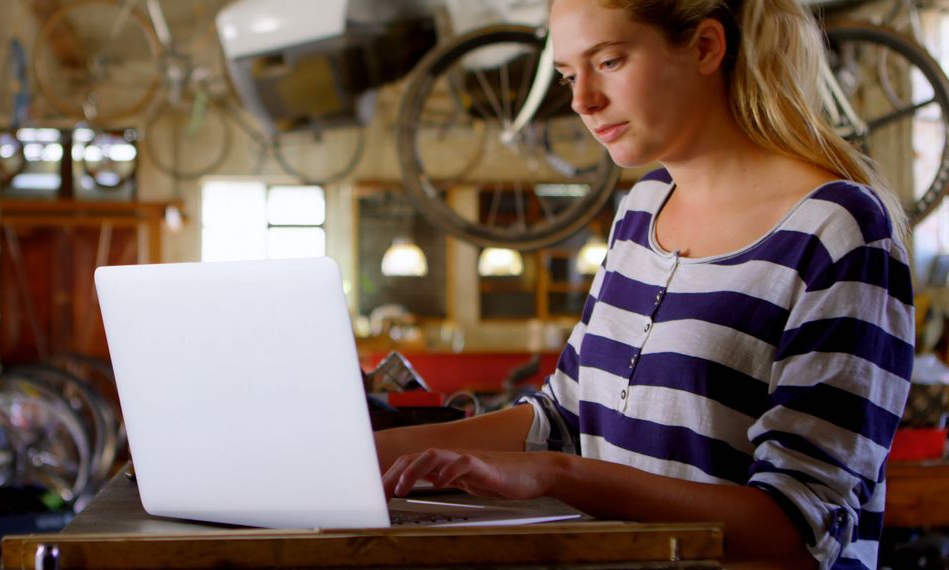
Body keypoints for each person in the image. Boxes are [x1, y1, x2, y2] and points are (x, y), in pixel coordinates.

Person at [375, 1, 914, 568]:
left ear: (706, 47)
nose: (582, 100)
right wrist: (361, 454)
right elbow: (563, 419)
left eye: (608, 62)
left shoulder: (838, 231)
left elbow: (797, 529)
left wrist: (556, 474)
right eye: (567, 75)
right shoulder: (642, 208)